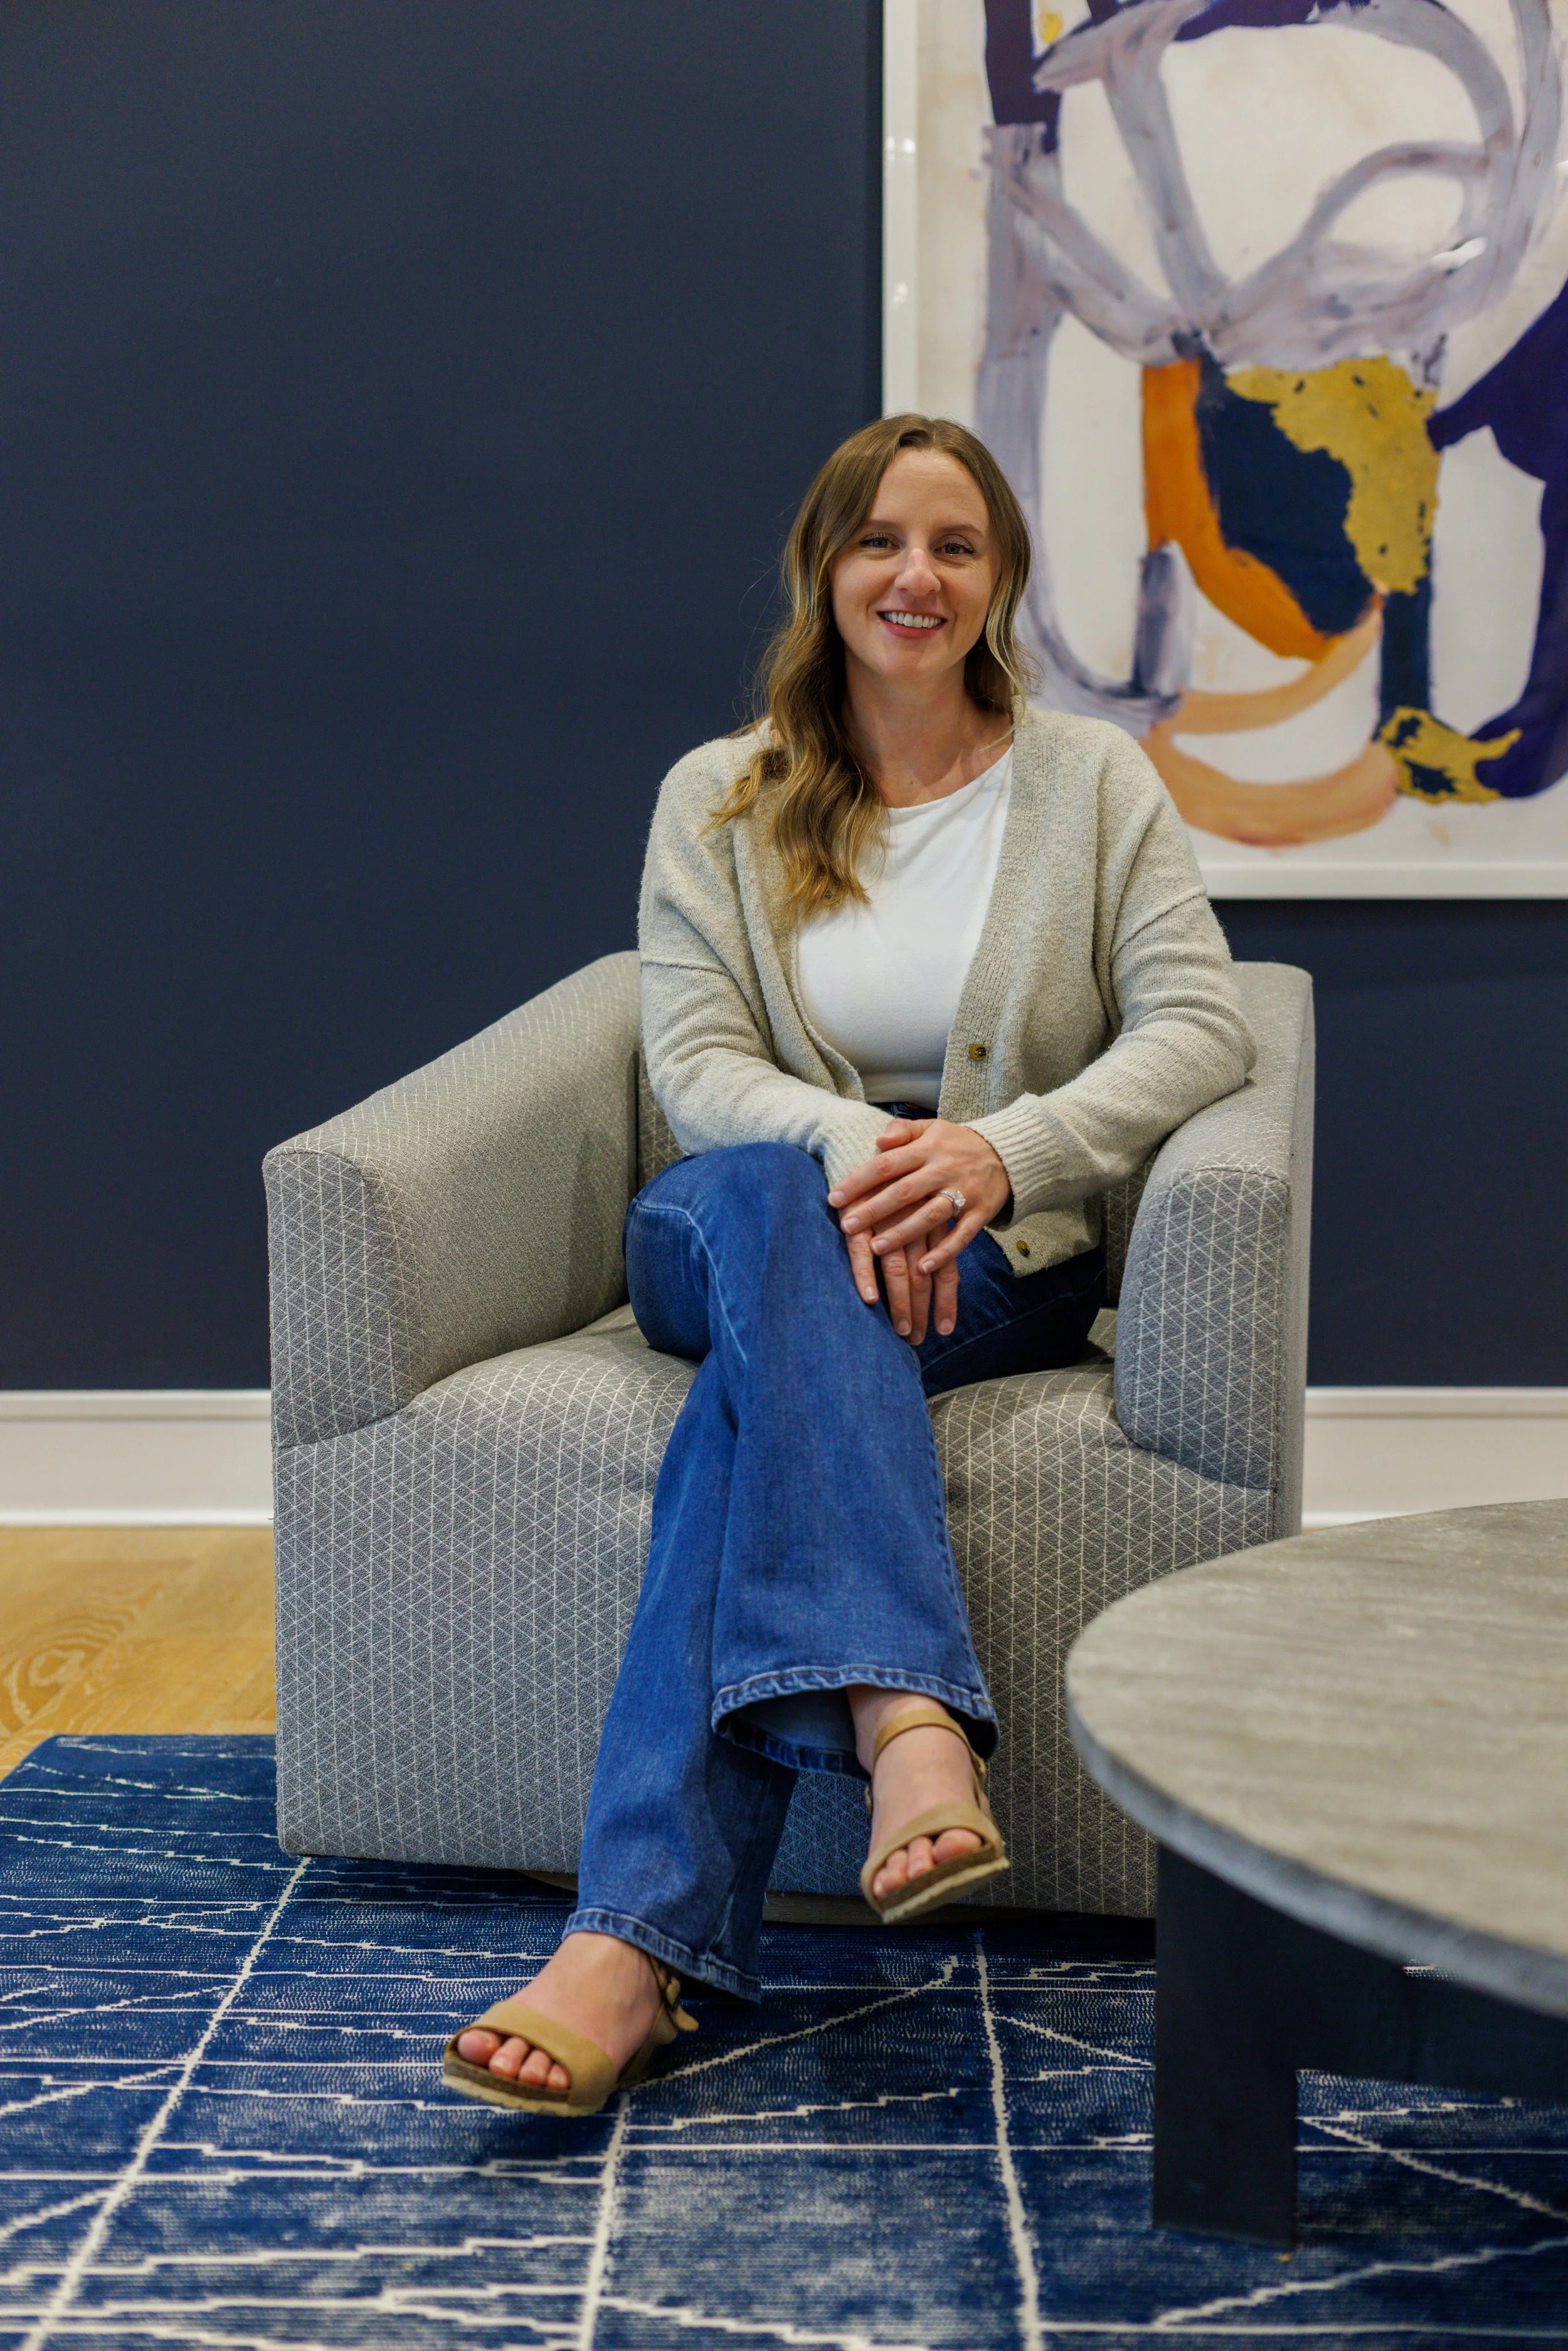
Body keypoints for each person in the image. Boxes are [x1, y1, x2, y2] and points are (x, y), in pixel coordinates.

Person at [442, 414, 1255, 2116]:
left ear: (999, 580)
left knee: (736, 1433)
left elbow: (1202, 1024)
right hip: (733, 1211)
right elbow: (693, 1057)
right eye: (880, 539)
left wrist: (994, 1152)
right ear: (825, 567)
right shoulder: (720, 791)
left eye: (955, 545)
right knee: (766, 1209)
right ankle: (909, 1720)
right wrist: (849, 1149)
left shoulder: (1089, 784)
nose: (916, 574)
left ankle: (630, 1948)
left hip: (988, 1242)